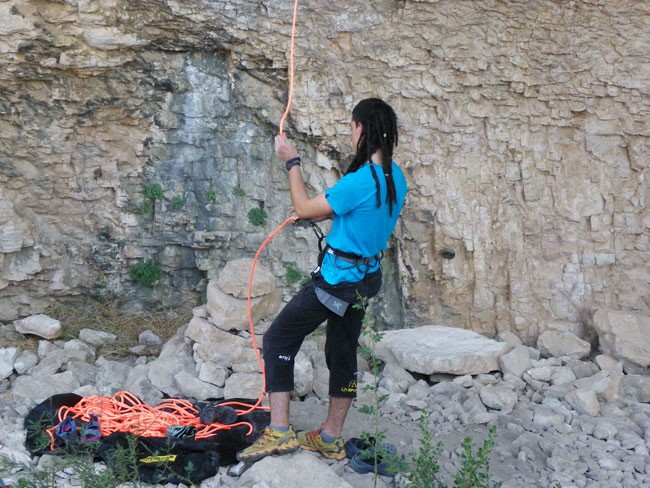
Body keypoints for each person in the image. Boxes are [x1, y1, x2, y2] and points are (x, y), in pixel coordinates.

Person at [238, 98, 408, 463]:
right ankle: (330, 437)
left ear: (361, 127)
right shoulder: (395, 178)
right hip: (365, 279)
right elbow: (366, 218)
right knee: (342, 353)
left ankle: (279, 432)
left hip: (337, 281)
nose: (351, 134)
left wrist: (292, 162)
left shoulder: (360, 180)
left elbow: (302, 206)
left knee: (279, 337)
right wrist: (325, 216)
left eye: (351, 127)